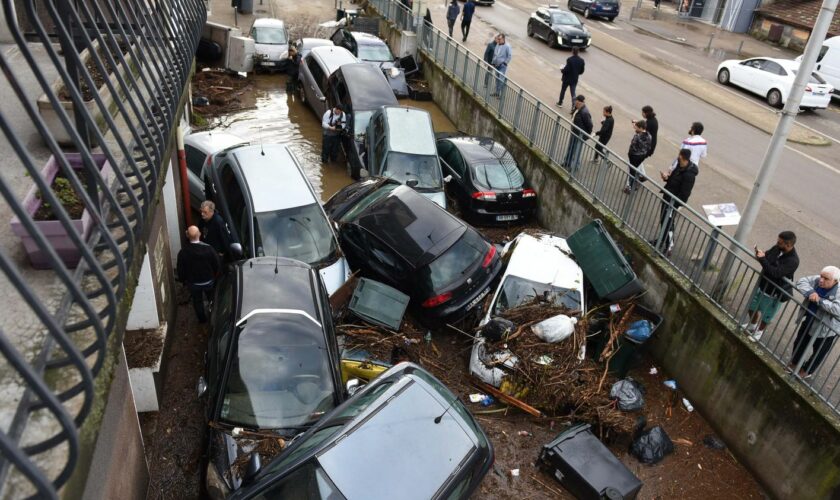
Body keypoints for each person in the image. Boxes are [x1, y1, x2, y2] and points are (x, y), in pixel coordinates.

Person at [743, 231, 799, 342]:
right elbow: (767, 256)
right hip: (763, 285)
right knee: (752, 307)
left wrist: (763, 259)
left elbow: (776, 273)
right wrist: (761, 255)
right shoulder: (777, 248)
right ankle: (753, 325)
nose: (777, 243)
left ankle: (759, 332)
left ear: (788, 245)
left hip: (775, 292)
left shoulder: (793, 261)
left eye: (780, 242)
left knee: (767, 315)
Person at [790, 267, 840, 379]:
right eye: (821, 276)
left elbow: (837, 309)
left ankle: (807, 371)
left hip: (826, 329)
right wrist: (811, 292)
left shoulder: (838, 291)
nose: (821, 280)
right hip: (810, 320)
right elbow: (801, 281)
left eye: (826, 278)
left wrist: (819, 300)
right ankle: (795, 363)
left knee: (819, 351)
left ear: (835, 281)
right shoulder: (818, 280)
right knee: (800, 343)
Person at [653, 148, 698, 255]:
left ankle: (669, 245)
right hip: (667, 197)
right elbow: (673, 179)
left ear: (682, 156)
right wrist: (666, 178)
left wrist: (675, 205)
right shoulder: (679, 166)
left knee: (668, 222)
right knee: (664, 220)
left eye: (679, 154)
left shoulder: (689, 175)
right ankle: (661, 240)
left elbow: (685, 193)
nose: (678, 156)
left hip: (672, 202)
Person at [177, 225, 220, 323]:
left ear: (187, 236)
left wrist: (183, 280)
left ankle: (202, 320)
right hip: (208, 281)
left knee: (197, 302)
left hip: (194, 283)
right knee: (212, 299)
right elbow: (217, 264)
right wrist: (214, 276)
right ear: (200, 234)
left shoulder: (183, 252)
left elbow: (181, 269)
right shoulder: (209, 249)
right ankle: (214, 317)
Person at [563, 95, 593, 172]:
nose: (574, 102)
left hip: (579, 135)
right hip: (574, 132)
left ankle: (575, 166)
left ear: (579, 102)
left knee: (576, 151)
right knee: (571, 148)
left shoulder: (585, 112)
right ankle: (567, 162)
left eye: (575, 101)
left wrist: (585, 136)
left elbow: (590, 126)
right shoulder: (578, 109)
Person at [624, 119, 651, 193]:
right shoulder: (649, 136)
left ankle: (630, 187)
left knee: (631, 171)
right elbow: (649, 147)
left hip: (634, 156)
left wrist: (631, 153)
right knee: (635, 170)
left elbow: (633, 145)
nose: (636, 128)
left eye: (637, 127)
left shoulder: (637, 136)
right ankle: (635, 183)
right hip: (642, 156)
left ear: (641, 128)